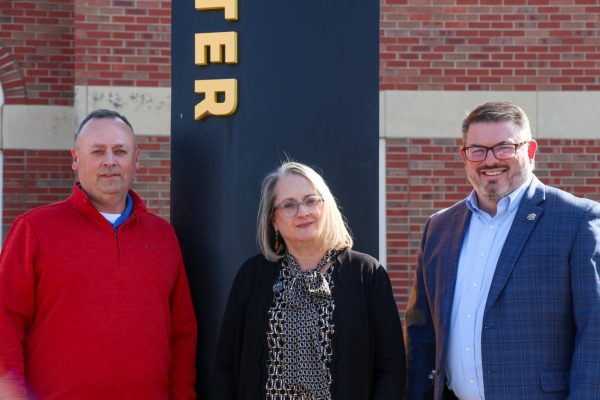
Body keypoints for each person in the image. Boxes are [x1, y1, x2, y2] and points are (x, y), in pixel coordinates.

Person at [404, 101, 600, 399]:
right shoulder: (440, 228)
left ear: (530, 151)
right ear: (465, 156)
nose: (490, 159)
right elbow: (421, 332)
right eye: (478, 150)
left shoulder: (576, 220)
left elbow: (594, 331)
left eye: (504, 147)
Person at [0, 109, 197, 399]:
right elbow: (5, 319)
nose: (110, 161)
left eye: (120, 151)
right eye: (97, 151)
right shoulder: (33, 230)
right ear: (76, 159)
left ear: (136, 158)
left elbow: (182, 334)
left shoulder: (162, 237)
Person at [211, 161, 405, 399]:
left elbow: (391, 366)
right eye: (289, 205)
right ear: (273, 220)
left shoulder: (367, 273)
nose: (303, 212)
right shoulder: (252, 276)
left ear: (326, 206)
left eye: (311, 200)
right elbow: (225, 364)